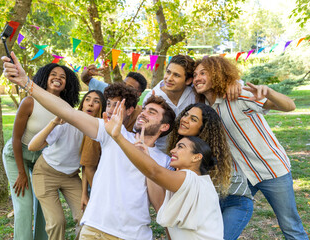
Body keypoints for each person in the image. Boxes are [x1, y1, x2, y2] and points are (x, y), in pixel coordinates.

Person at [2, 51, 176, 240]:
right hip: (93, 230)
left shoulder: (164, 161)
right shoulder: (111, 132)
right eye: (145, 110)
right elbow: (67, 112)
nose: (144, 114)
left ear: (164, 126)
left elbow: (161, 208)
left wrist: (147, 160)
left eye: (152, 112)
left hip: (132, 235)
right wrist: (27, 82)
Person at [193, 56, 308, 240]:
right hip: (240, 176)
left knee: (291, 227)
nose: (197, 77)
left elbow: (289, 106)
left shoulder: (239, 95)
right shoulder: (203, 108)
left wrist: (268, 92)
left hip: (272, 170)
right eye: (195, 74)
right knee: (221, 220)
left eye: (203, 73)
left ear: (217, 74)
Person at [104, 99, 223, 239]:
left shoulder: (189, 178)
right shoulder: (190, 178)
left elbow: (154, 172)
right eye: (186, 114)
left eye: (180, 147)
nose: (172, 150)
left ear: (197, 157)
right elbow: (162, 208)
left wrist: (117, 136)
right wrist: (147, 156)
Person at [2, 63, 80, 240]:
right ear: (45, 77)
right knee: (24, 205)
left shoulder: (65, 107)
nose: (58, 78)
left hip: (42, 157)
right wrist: (22, 173)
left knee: (44, 205)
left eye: (62, 76)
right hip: (17, 155)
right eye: (54, 74)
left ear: (66, 84)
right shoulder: (29, 102)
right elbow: (16, 139)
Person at [167, 103, 253, 240]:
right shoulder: (182, 145)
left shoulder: (211, 151)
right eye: (185, 115)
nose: (184, 119)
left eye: (193, 119)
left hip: (235, 201)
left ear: (204, 127)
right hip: (210, 203)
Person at [27, 90, 105, 240]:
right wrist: (54, 122)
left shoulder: (98, 132)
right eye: (87, 99)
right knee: (57, 222)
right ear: (82, 106)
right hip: (45, 173)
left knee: (86, 217)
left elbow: (87, 165)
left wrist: (84, 194)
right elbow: (33, 146)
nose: (90, 103)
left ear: (101, 108)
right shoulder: (67, 123)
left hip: (71, 176)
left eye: (96, 101)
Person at [142, 54, 242, 152]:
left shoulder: (195, 91)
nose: (169, 78)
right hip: (157, 152)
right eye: (168, 72)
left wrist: (234, 83)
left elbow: (216, 80)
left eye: (176, 75)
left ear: (188, 80)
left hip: (189, 153)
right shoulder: (153, 97)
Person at [81, 65, 147, 97]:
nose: (124, 88)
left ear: (138, 94)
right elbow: (86, 79)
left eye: (130, 87)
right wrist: (87, 72)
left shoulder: (137, 114)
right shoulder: (109, 90)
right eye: (124, 84)